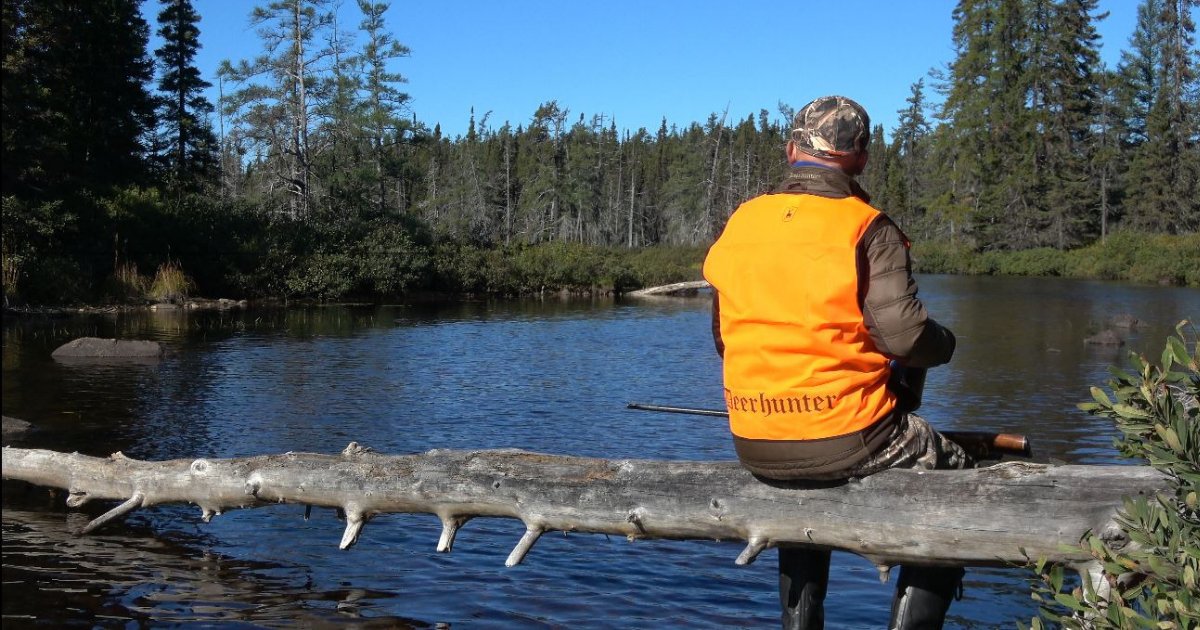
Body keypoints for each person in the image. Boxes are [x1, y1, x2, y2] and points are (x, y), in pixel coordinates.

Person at [702, 95, 971, 630]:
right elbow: (907, 337)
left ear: (791, 149)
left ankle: (798, 622)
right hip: (851, 437)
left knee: (804, 491)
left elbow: (724, 340)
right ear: (860, 156)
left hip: (753, 438)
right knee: (955, 470)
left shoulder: (744, 220)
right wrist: (947, 343)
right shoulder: (867, 225)